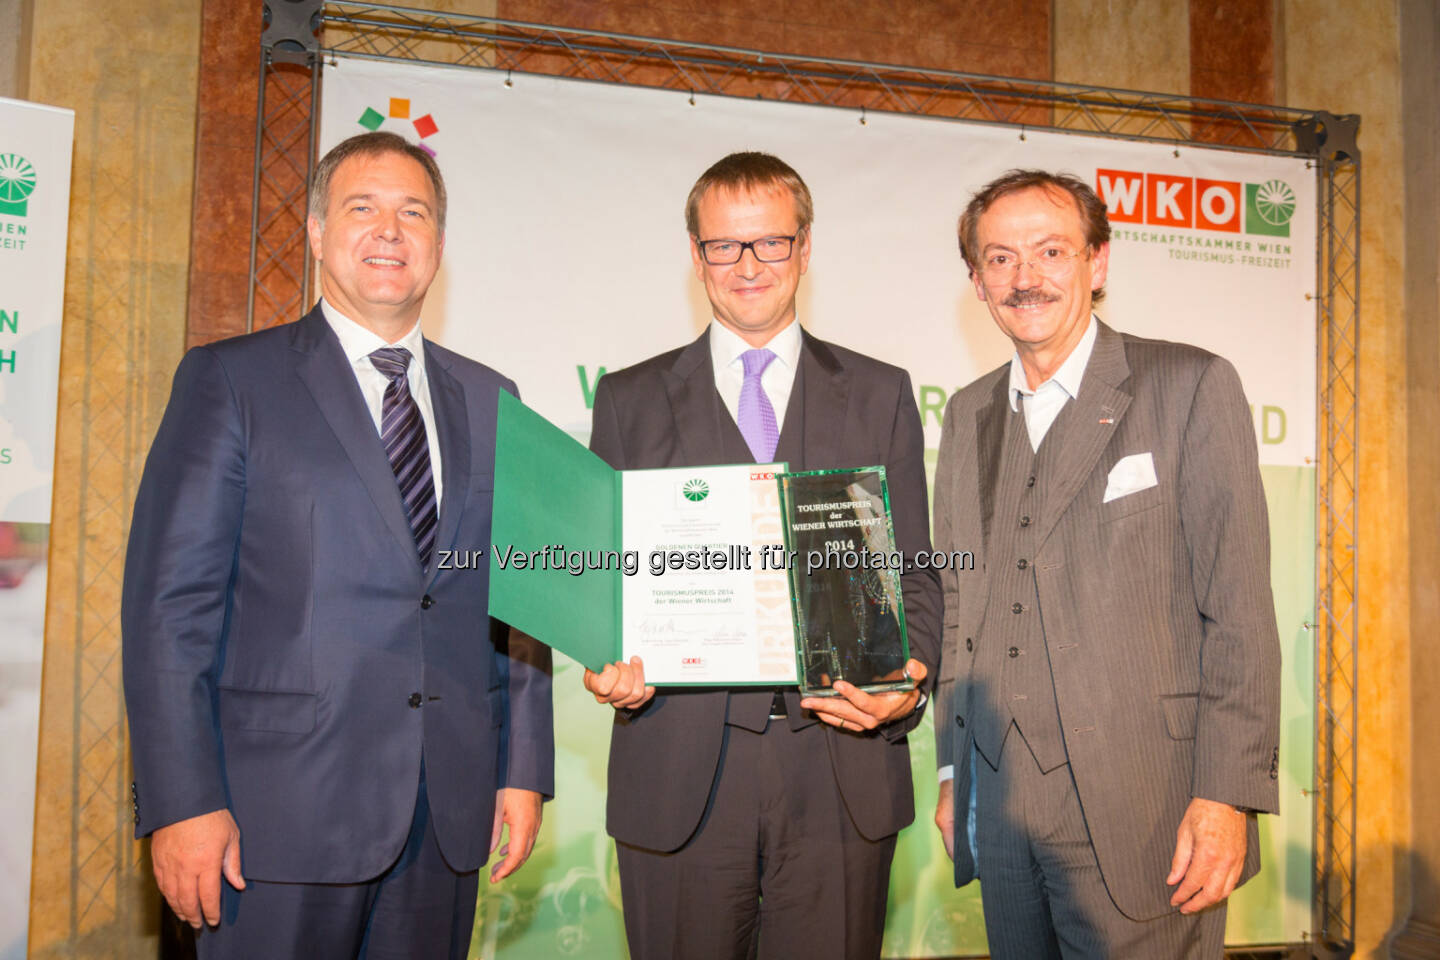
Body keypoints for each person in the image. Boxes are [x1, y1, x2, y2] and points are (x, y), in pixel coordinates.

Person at [121, 131, 553, 959]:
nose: (390, 231)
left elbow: (517, 598)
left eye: (413, 213)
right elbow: (168, 611)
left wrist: (524, 766)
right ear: (317, 232)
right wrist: (180, 800)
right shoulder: (230, 381)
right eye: (363, 208)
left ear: (438, 245)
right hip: (270, 821)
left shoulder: (495, 399)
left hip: (444, 819)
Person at [582, 151, 942, 959]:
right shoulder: (629, 400)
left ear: (805, 248)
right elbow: (600, 581)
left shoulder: (882, 392)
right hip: (678, 770)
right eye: (724, 245)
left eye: (770, 243)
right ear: (696, 254)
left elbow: (915, 570)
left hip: (842, 768)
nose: (748, 265)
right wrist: (601, 654)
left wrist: (911, 681)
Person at [931, 169, 1282, 958]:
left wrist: (1227, 793)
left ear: (1098, 262)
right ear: (977, 283)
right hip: (1003, 801)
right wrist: (955, 773)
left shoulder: (1189, 386)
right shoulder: (965, 414)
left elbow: (1238, 609)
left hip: (1149, 804)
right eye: (1000, 259)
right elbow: (958, 603)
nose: (1026, 278)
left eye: (1051, 251)